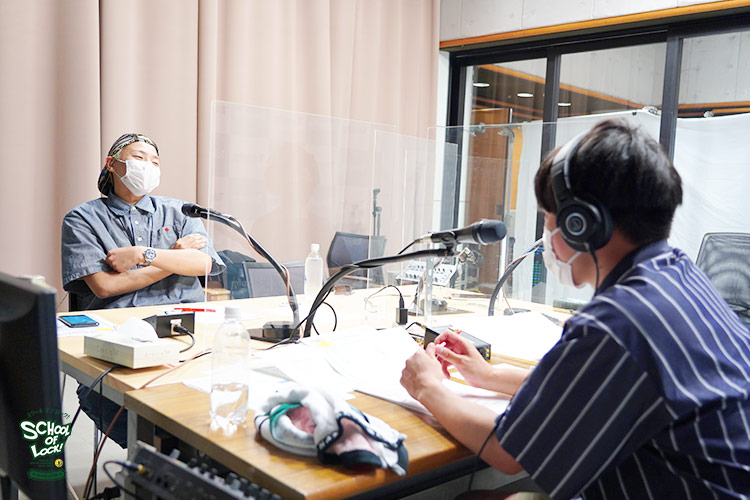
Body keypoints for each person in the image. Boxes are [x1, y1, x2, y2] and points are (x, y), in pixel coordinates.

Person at [401, 118, 750, 499]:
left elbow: (507, 451)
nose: (547, 235)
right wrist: (488, 375)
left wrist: (428, 387)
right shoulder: (680, 276)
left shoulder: (618, 321)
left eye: (548, 219)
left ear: (581, 224)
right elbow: (597, 390)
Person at [62, 133, 226, 447]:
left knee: (215, 392)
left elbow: (203, 263)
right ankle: (159, 461)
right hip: (120, 334)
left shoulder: (180, 211)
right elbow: (105, 286)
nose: (148, 166)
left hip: (188, 330)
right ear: (112, 164)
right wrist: (174, 258)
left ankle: (182, 460)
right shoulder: (83, 218)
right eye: (139, 158)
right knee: (105, 396)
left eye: (155, 162)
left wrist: (143, 254)